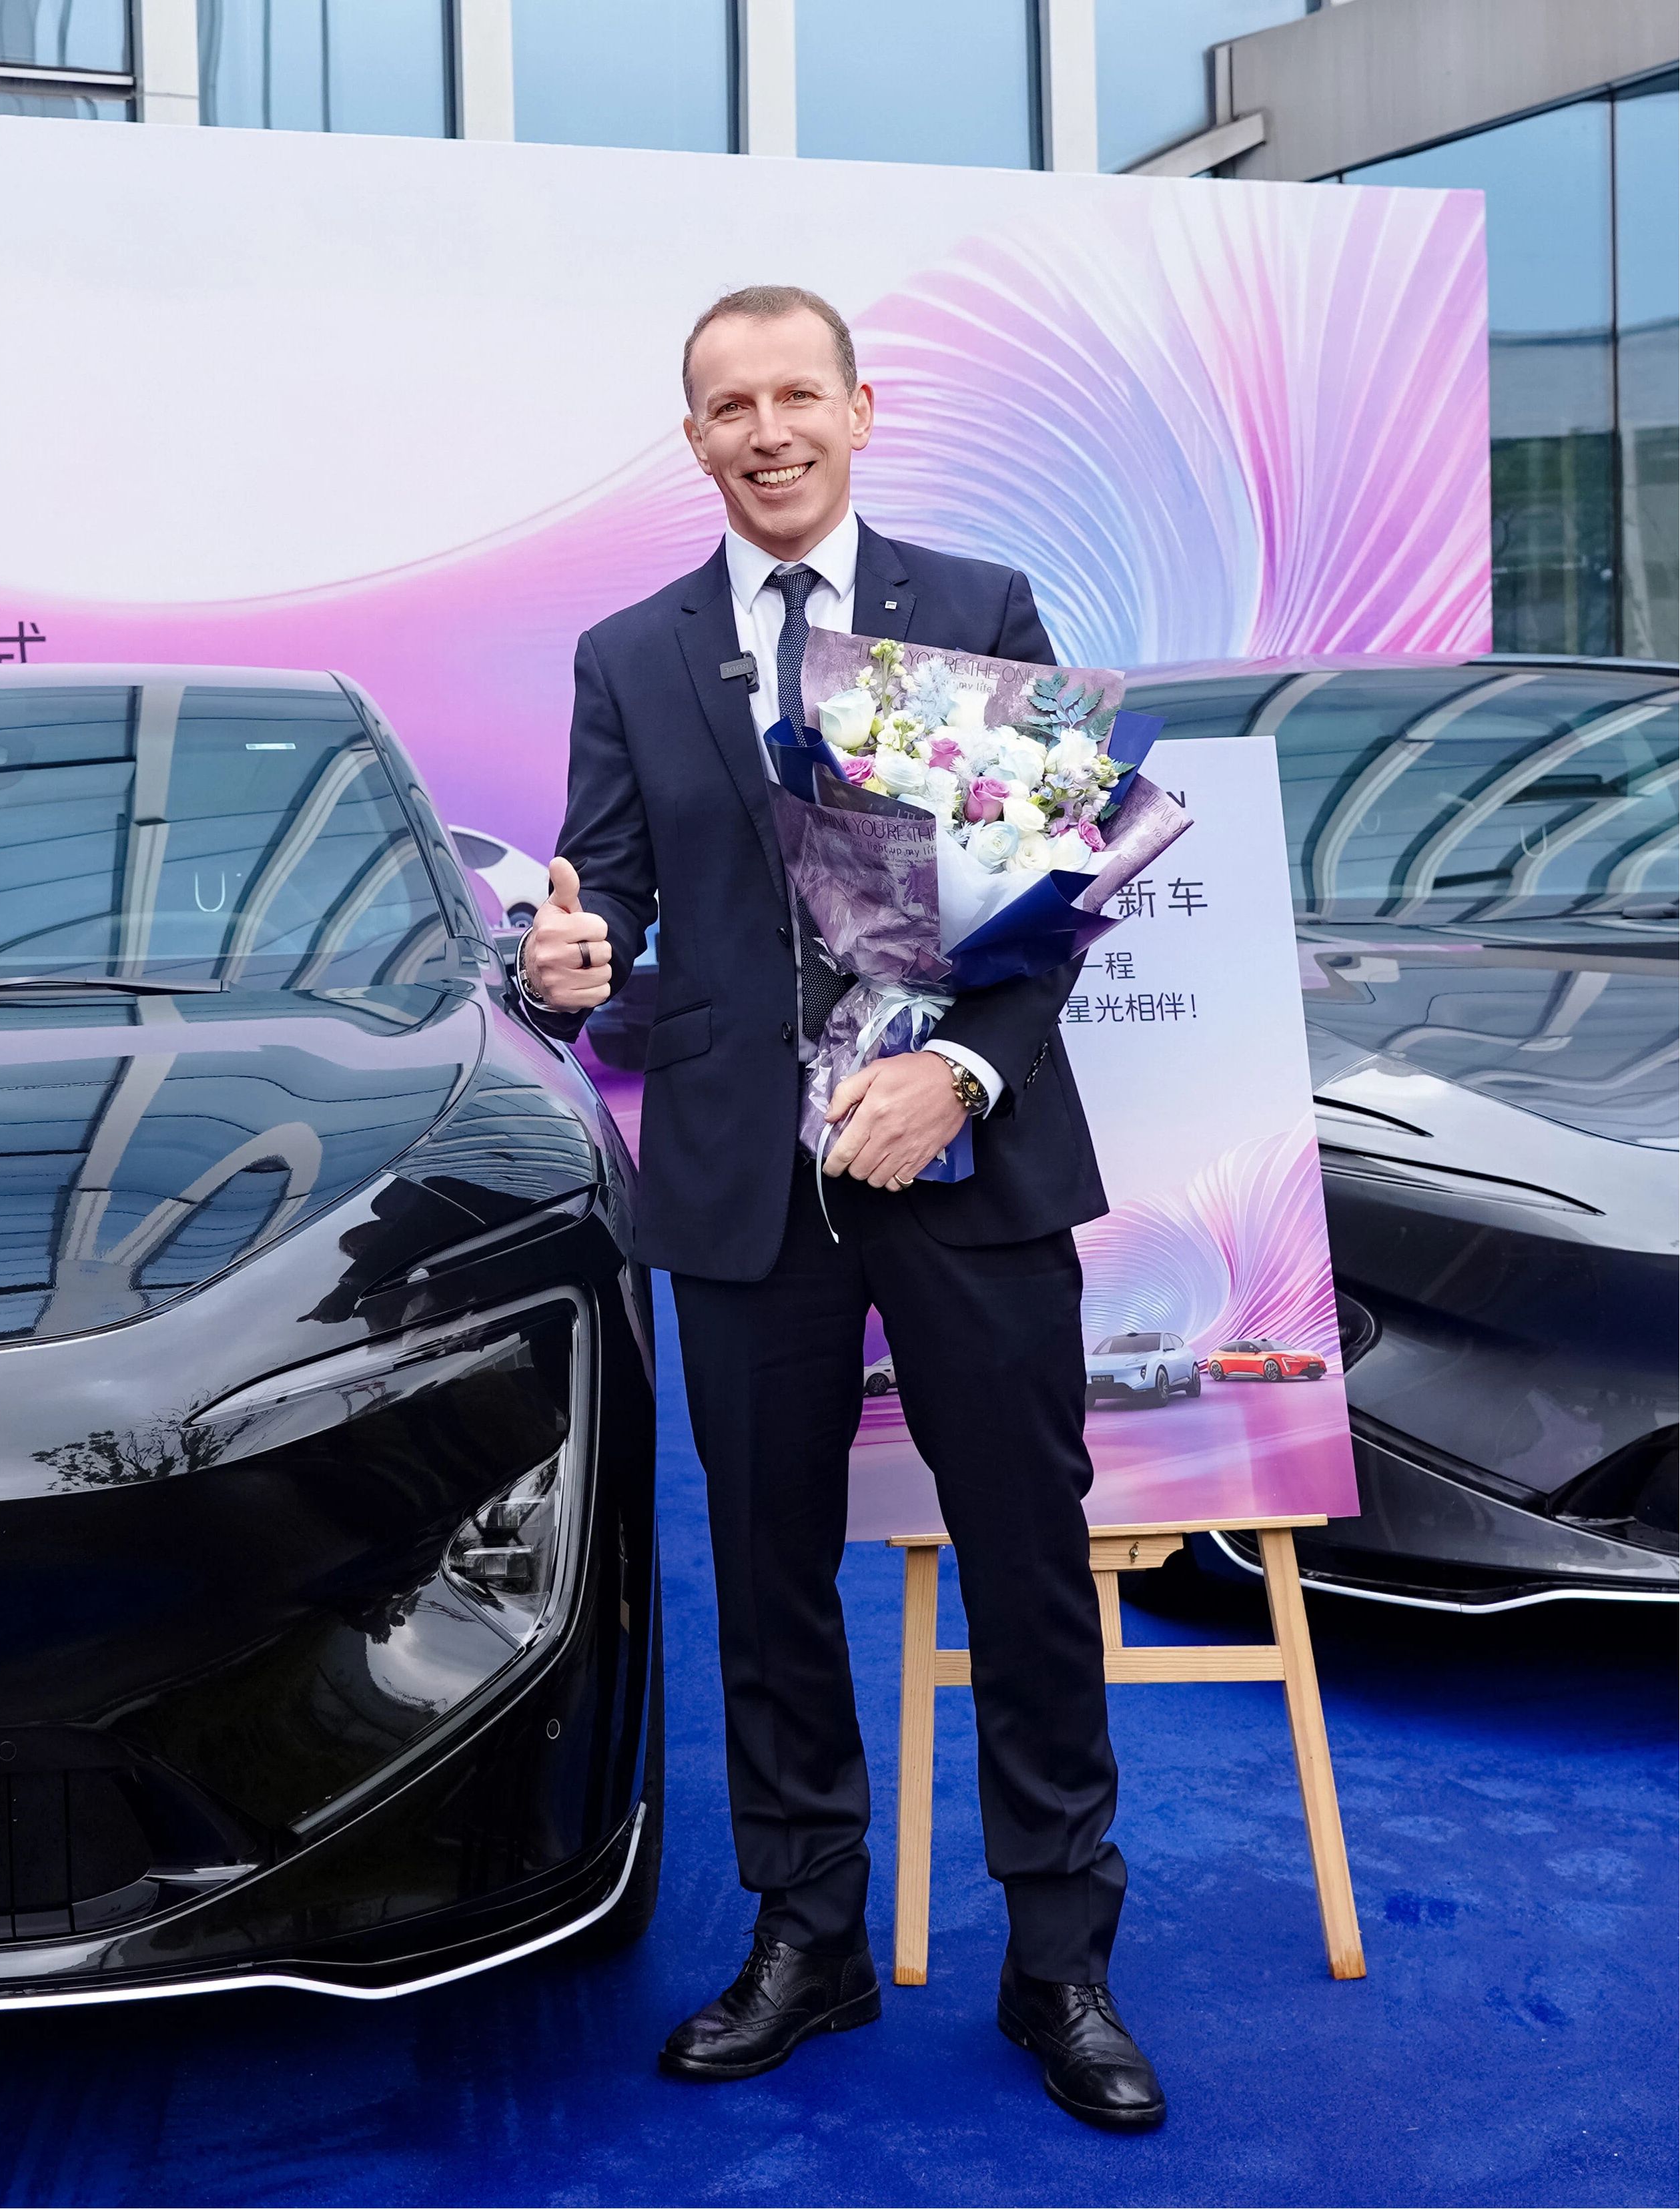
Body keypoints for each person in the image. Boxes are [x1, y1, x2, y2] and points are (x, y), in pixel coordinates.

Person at [517, 284, 1164, 2131]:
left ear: (860, 411)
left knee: (1028, 1560)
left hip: (964, 1162)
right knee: (770, 1575)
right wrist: (563, 964)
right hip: (744, 1180)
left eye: (797, 393)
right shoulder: (632, 654)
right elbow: (603, 901)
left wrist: (957, 1070)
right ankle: (808, 1935)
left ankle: (1060, 1961)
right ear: (696, 438)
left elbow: (1056, 894)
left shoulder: (976, 609)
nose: (768, 431)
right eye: (731, 407)